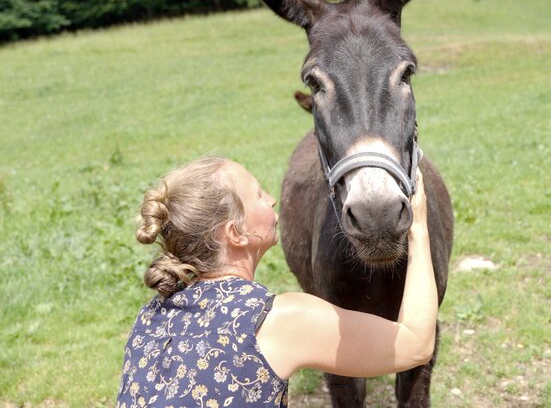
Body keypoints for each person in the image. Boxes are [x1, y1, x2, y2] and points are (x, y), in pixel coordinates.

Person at [116, 156, 436, 407]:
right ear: (236, 234)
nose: (270, 199)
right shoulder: (274, 321)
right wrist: (418, 227)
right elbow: (415, 344)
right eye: (257, 194)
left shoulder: (149, 318)